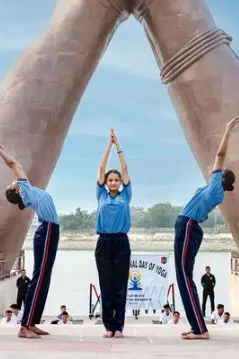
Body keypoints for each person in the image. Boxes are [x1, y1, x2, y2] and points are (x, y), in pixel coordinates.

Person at [0, 138, 60, 340]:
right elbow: (13, 164)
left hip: (51, 231)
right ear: (16, 190)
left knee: (45, 278)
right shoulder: (25, 190)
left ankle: (32, 322)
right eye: (13, 183)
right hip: (47, 231)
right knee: (41, 277)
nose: (14, 180)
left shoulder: (28, 190)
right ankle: (24, 325)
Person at [175, 117, 239, 340]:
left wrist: (227, 131)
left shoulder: (215, 187)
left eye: (220, 171)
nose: (216, 170)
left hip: (189, 225)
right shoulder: (214, 188)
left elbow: (219, 156)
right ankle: (196, 325)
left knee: (184, 277)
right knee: (184, 277)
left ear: (222, 178)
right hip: (187, 225)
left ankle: (200, 329)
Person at [94, 128, 132, 339]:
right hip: (103, 242)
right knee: (106, 285)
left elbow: (125, 169)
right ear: (106, 183)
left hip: (121, 242)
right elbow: (101, 168)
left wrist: (119, 147)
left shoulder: (125, 195)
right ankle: (109, 326)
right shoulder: (101, 195)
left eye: (116, 180)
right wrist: (108, 145)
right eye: (111, 180)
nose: (114, 182)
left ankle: (119, 326)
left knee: (120, 287)